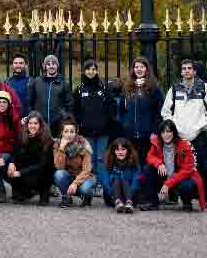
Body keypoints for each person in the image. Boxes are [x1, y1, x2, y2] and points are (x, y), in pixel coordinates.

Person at [161, 58, 207, 209]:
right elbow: (166, 111)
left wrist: (206, 125)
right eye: (184, 68)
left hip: (198, 133)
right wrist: (173, 127)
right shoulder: (174, 89)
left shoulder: (204, 88)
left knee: (204, 165)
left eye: (189, 68)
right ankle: (176, 194)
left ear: (194, 71)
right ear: (181, 71)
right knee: (177, 166)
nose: (186, 71)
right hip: (180, 135)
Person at [140, 120, 206, 211]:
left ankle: (187, 202)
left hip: (180, 177)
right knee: (148, 169)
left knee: (187, 185)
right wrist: (159, 164)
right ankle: (152, 202)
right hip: (164, 176)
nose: (166, 134)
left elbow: (187, 170)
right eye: (163, 132)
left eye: (169, 131)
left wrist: (168, 183)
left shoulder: (184, 145)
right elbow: (149, 156)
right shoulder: (157, 143)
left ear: (174, 132)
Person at [73, 59, 112, 194]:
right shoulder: (79, 89)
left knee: (101, 158)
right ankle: (91, 183)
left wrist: (106, 121)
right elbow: (75, 110)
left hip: (103, 130)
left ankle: (101, 185)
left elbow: (110, 106)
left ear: (97, 71)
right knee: (89, 158)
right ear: (84, 71)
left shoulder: (104, 88)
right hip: (86, 131)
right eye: (88, 69)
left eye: (94, 69)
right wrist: (80, 123)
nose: (91, 71)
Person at [119, 56, 164, 163]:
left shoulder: (154, 88)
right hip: (130, 134)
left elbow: (159, 111)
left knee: (147, 163)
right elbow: (122, 110)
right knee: (133, 163)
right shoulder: (127, 88)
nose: (139, 69)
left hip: (148, 135)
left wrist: (155, 131)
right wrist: (125, 124)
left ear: (147, 69)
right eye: (136, 67)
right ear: (133, 70)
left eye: (142, 67)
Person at [6, 111, 54, 206]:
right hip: (25, 170)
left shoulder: (47, 139)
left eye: (35, 123)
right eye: (30, 123)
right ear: (27, 124)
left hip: (40, 172)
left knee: (45, 170)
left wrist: (20, 173)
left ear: (40, 125)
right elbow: (14, 151)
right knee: (4, 166)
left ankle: (44, 193)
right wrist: (12, 163)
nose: (32, 126)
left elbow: (42, 164)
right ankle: (22, 192)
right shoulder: (22, 135)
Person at [53, 115, 96, 207]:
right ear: (62, 133)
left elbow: (87, 169)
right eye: (66, 131)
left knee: (84, 189)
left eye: (72, 132)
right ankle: (67, 198)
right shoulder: (57, 144)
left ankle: (87, 196)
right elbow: (59, 167)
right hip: (70, 176)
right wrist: (61, 149)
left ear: (76, 132)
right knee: (59, 174)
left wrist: (75, 183)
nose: (69, 135)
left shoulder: (83, 144)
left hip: (85, 177)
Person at [28, 55, 74, 135]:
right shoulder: (37, 82)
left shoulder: (64, 83)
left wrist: (64, 116)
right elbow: (30, 102)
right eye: (48, 64)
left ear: (57, 66)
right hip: (40, 124)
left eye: (53, 64)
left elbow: (70, 104)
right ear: (45, 66)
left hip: (58, 125)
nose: (51, 66)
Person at [101, 138, 140, 213]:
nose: (120, 152)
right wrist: (114, 194)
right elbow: (105, 183)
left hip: (130, 195)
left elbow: (136, 182)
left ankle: (128, 203)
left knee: (124, 180)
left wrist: (128, 195)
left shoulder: (134, 162)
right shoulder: (107, 162)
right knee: (117, 179)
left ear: (128, 150)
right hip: (112, 195)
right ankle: (118, 202)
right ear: (113, 151)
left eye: (123, 149)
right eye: (117, 150)